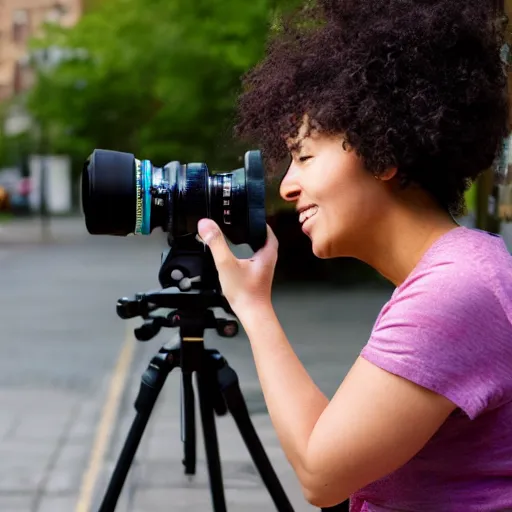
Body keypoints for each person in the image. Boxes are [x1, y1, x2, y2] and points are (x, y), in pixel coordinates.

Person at [197, 0, 512, 510]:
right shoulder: (459, 273)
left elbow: (322, 476)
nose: (288, 185)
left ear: (382, 153)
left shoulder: (455, 292)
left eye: (304, 157)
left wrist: (254, 309)